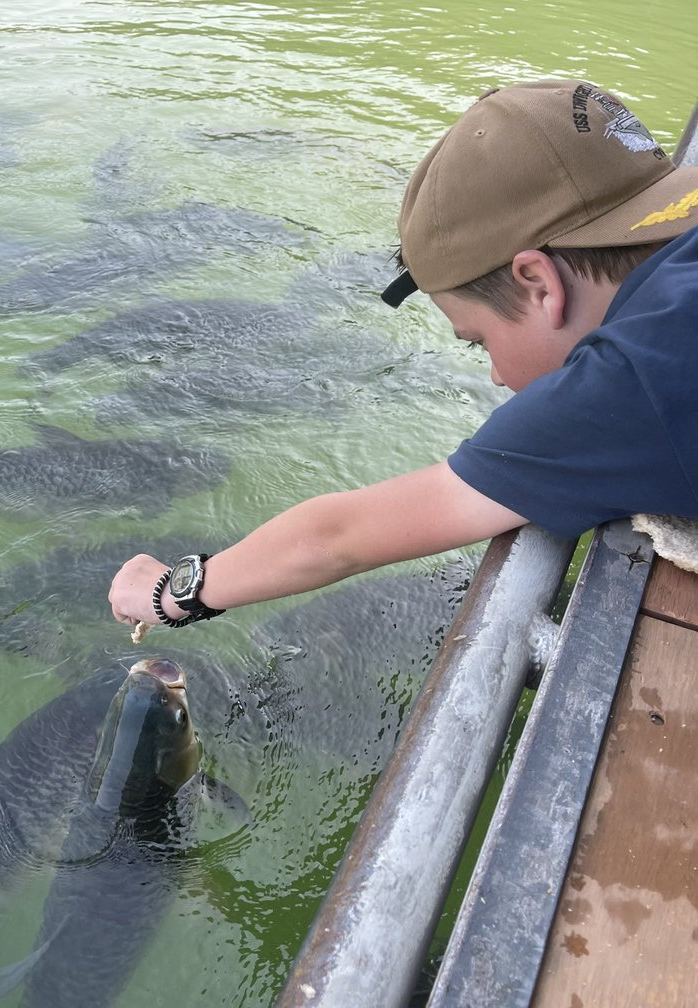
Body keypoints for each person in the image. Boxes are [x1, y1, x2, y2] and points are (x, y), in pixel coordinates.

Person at [109, 78, 698, 631]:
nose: (496, 376)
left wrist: (171, 593)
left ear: (539, 283)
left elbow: (338, 538)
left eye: (479, 340)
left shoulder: (630, 384)